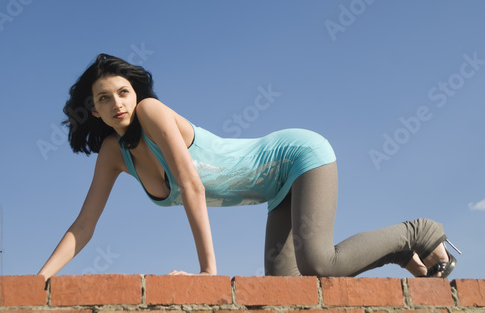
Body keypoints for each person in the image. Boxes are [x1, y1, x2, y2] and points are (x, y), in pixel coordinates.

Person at [38, 53, 459, 280]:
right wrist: (38, 282)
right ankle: (398, 252)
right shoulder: (114, 154)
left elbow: (192, 186)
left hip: (295, 156)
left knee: (318, 264)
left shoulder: (152, 111)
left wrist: (208, 273)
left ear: (136, 92)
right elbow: (84, 225)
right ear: (92, 110)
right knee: (287, 287)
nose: (117, 104)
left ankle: (420, 232)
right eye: (104, 98)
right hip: (275, 189)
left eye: (123, 92)